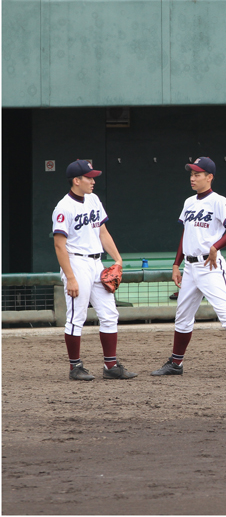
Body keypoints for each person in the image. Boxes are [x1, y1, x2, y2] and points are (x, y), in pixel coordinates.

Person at [151, 157, 226, 379]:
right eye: (191, 174)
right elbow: (186, 234)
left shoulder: (219, 201)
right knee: (182, 316)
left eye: (197, 174)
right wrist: (176, 263)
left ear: (210, 177)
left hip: (210, 265)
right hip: (189, 267)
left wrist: (217, 246)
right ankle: (176, 363)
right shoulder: (189, 202)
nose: (192, 178)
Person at [52, 160, 138, 381]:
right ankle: (75, 367)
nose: (93, 181)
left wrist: (117, 259)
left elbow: (103, 232)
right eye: (89, 177)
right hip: (76, 263)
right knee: (76, 317)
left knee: (110, 314)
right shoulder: (63, 208)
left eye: (93, 177)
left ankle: (111, 366)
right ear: (76, 180)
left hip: (96, 262)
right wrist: (70, 277)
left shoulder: (94, 199)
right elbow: (59, 245)